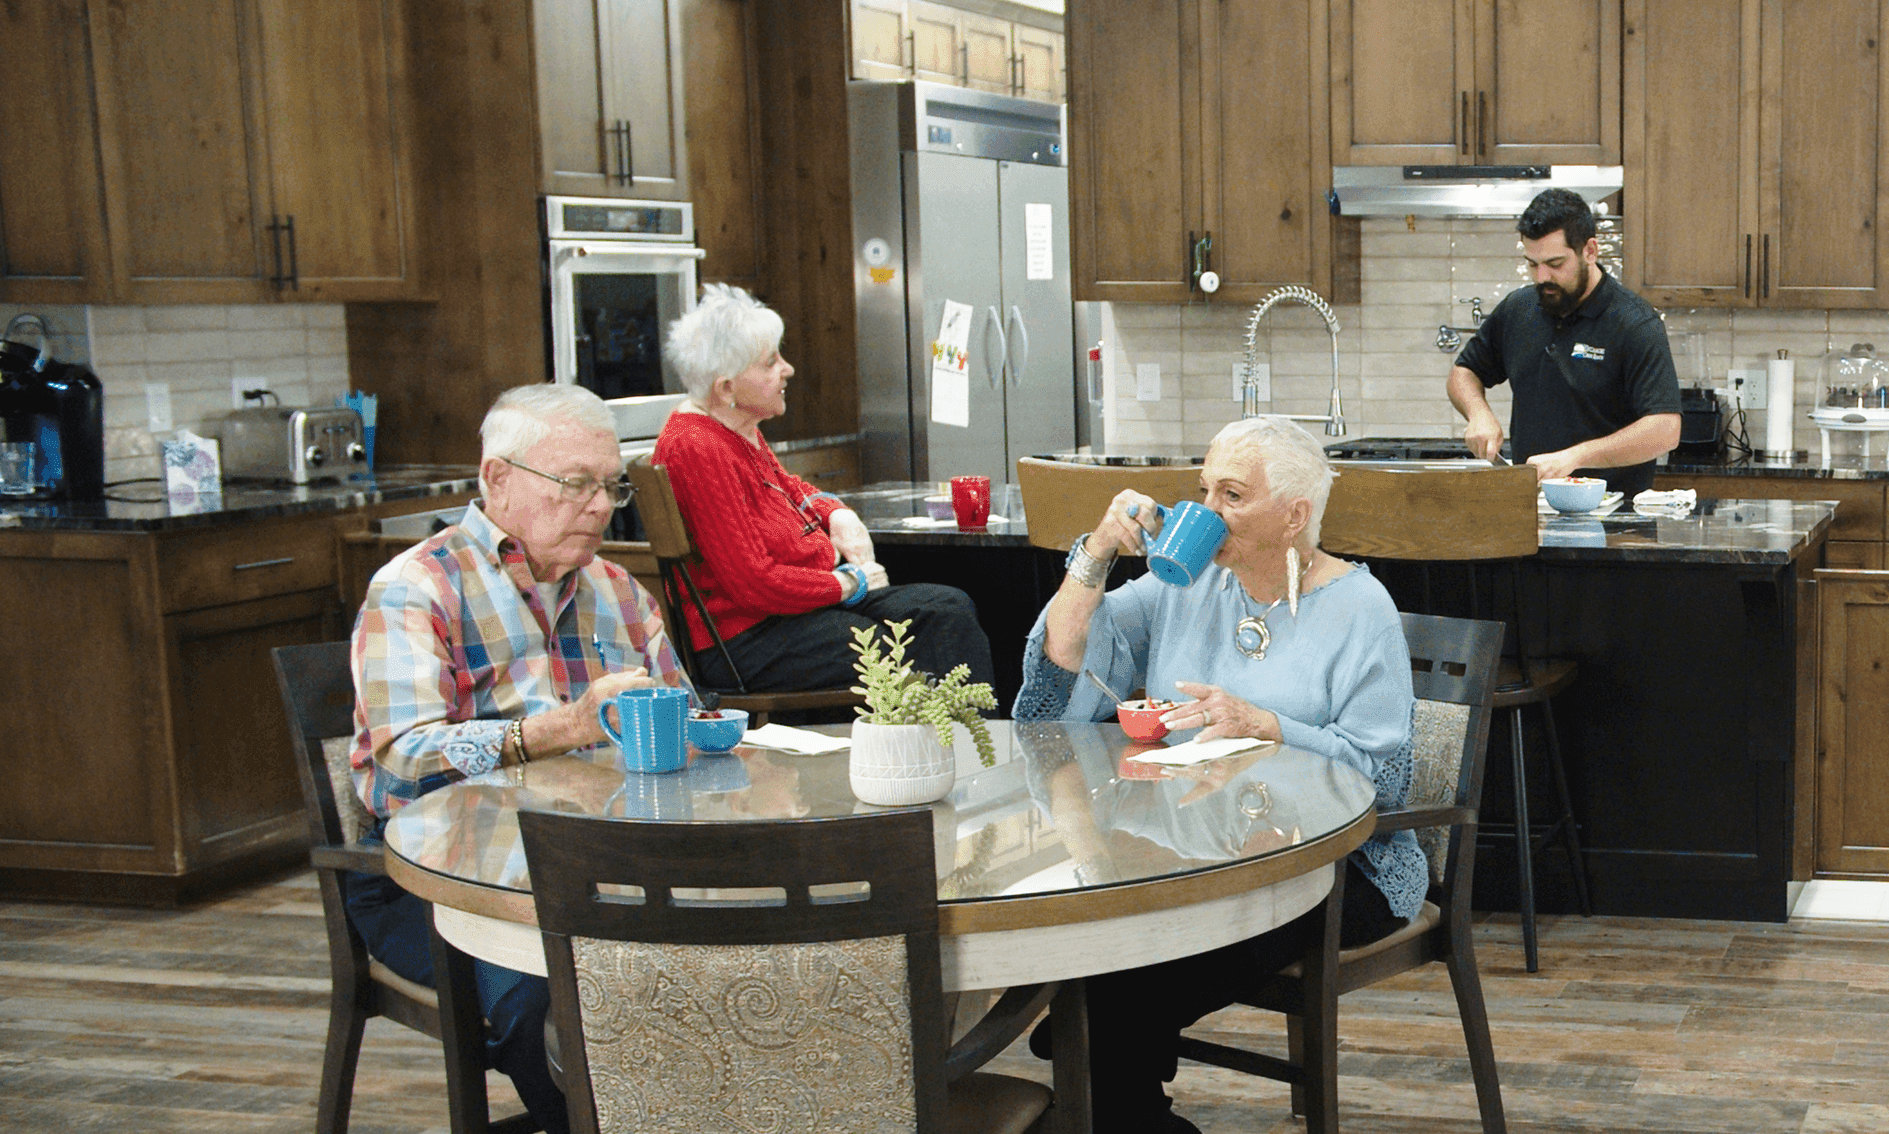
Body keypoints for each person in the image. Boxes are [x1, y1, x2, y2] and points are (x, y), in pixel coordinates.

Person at [1012, 415, 1424, 1134]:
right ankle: (1117, 1099)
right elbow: (1068, 660)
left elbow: (1383, 781)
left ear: (1295, 515)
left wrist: (1270, 725)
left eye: (1231, 494)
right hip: (1191, 851)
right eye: (1203, 489)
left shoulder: (1363, 609)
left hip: (1328, 867)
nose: (1205, 512)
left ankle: (1104, 1092)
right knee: (1104, 964)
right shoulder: (1188, 582)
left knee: (1119, 986)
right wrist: (1098, 553)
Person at [348, 383, 692, 1134]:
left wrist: (707, 734)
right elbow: (398, 768)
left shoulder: (618, 592)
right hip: (444, 882)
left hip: (602, 863)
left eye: (611, 486)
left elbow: (683, 721)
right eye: (577, 484)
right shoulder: (414, 589)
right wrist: (555, 730)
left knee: (726, 963)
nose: (601, 506)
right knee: (563, 1005)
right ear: (496, 479)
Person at [653, 282, 993, 698]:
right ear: (726, 388)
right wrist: (849, 584)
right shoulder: (697, 446)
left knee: (945, 610)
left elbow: (791, 490)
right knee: (904, 647)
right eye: (770, 362)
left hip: (799, 609)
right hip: (747, 641)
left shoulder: (737, 427)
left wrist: (837, 512)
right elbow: (753, 582)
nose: (787, 369)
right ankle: (960, 752)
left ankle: (968, 751)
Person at [1448, 186, 1681, 498]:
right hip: (1532, 512)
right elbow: (1464, 372)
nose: (1542, 277)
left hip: (1615, 518)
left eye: (1555, 264)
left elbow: (1665, 430)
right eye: (1532, 264)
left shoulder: (1634, 322)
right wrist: (1478, 413)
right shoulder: (1518, 309)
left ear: (1590, 251)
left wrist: (1575, 457)